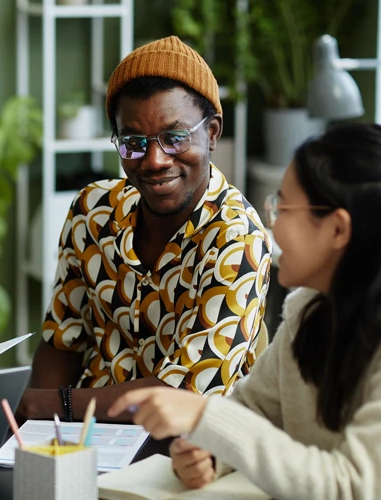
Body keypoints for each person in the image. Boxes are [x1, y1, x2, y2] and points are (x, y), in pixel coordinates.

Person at [109, 122, 381, 499]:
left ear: (337, 229)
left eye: (283, 208)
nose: (271, 226)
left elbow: (350, 487)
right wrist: (210, 453)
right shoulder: (307, 313)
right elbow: (252, 410)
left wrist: (205, 417)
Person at [17, 36, 272, 423]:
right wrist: (39, 430)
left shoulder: (238, 238)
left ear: (213, 133)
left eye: (174, 138)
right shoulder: (93, 212)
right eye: (133, 143)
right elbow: (62, 341)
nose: (154, 161)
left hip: (189, 451)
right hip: (85, 437)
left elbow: (181, 397)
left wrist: (54, 405)